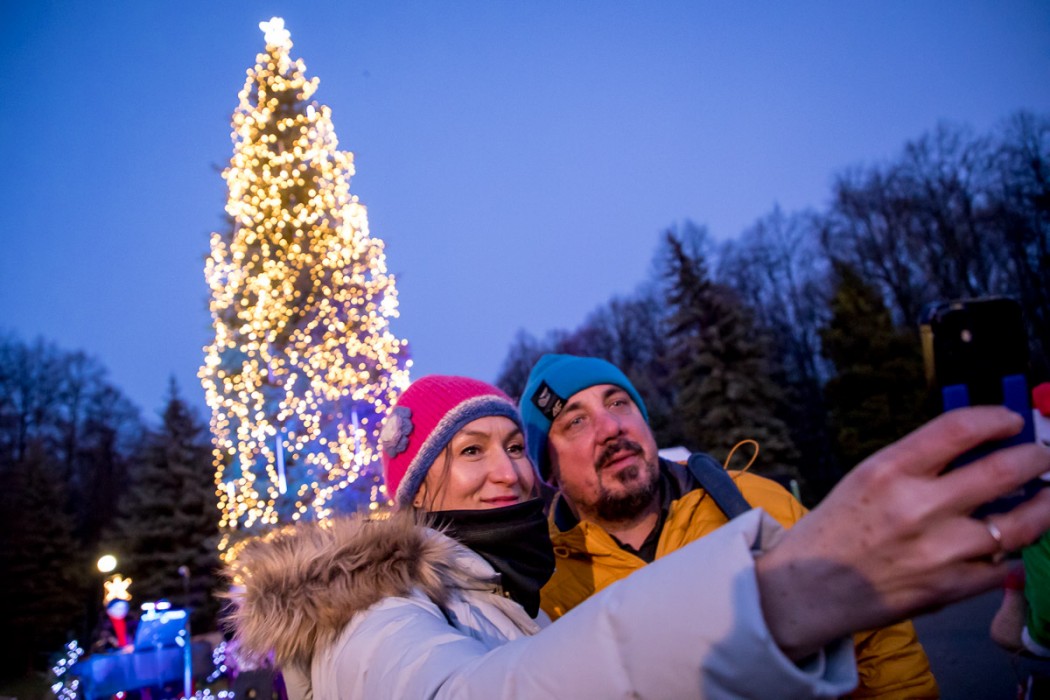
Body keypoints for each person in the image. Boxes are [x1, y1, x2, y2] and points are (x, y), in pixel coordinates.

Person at [225, 374, 1050, 699]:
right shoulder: (377, 610)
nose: (504, 472)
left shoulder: (501, 590)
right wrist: (771, 601)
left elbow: (884, 646)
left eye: (510, 447)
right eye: (469, 453)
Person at [519, 354, 947, 696]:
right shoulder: (546, 597)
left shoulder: (756, 504)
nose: (611, 427)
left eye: (618, 403)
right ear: (550, 471)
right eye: (576, 421)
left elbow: (873, 637)